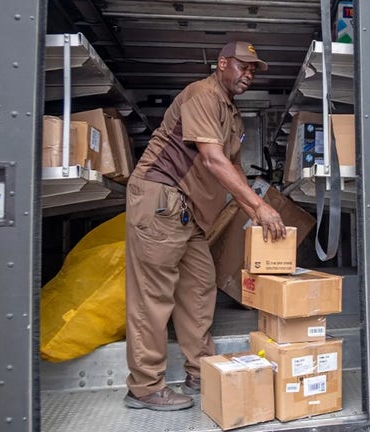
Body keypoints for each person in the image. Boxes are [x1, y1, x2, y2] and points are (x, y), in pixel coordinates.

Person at [123, 41, 286, 411]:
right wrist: (258, 207)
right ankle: (144, 387)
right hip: (161, 199)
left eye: (253, 70)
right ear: (222, 63)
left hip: (189, 211)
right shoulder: (202, 94)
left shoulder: (232, 113)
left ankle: (200, 371)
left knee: (199, 288)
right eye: (242, 66)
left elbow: (234, 168)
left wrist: (255, 209)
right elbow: (212, 159)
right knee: (152, 296)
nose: (248, 74)